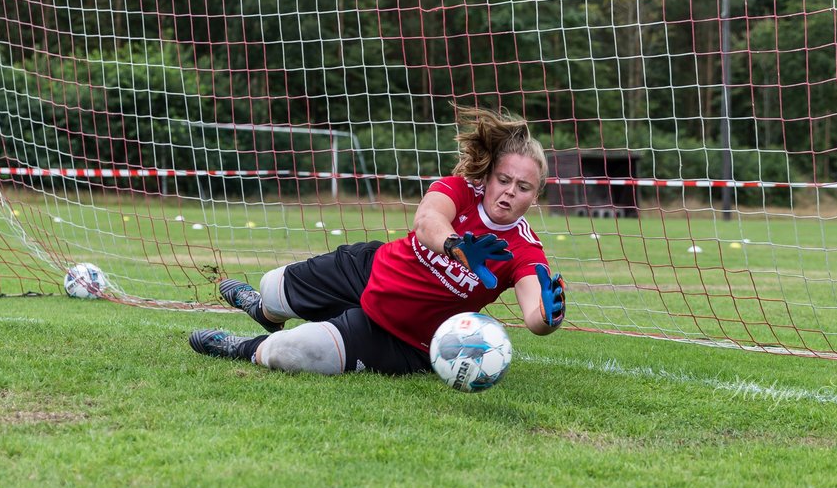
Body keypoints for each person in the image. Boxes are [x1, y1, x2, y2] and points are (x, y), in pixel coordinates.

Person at [188, 104, 566, 376]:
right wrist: (457, 246)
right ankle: (263, 312)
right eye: (503, 179)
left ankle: (240, 346)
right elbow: (427, 220)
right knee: (272, 287)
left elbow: (535, 313)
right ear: (489, 177)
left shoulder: (524, 250)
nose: (508, 192)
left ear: (535, 196)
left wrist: (549, 318)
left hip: (401, 336)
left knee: (292, 352)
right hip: (369, 271)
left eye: (523, 187)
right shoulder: (461, 190)